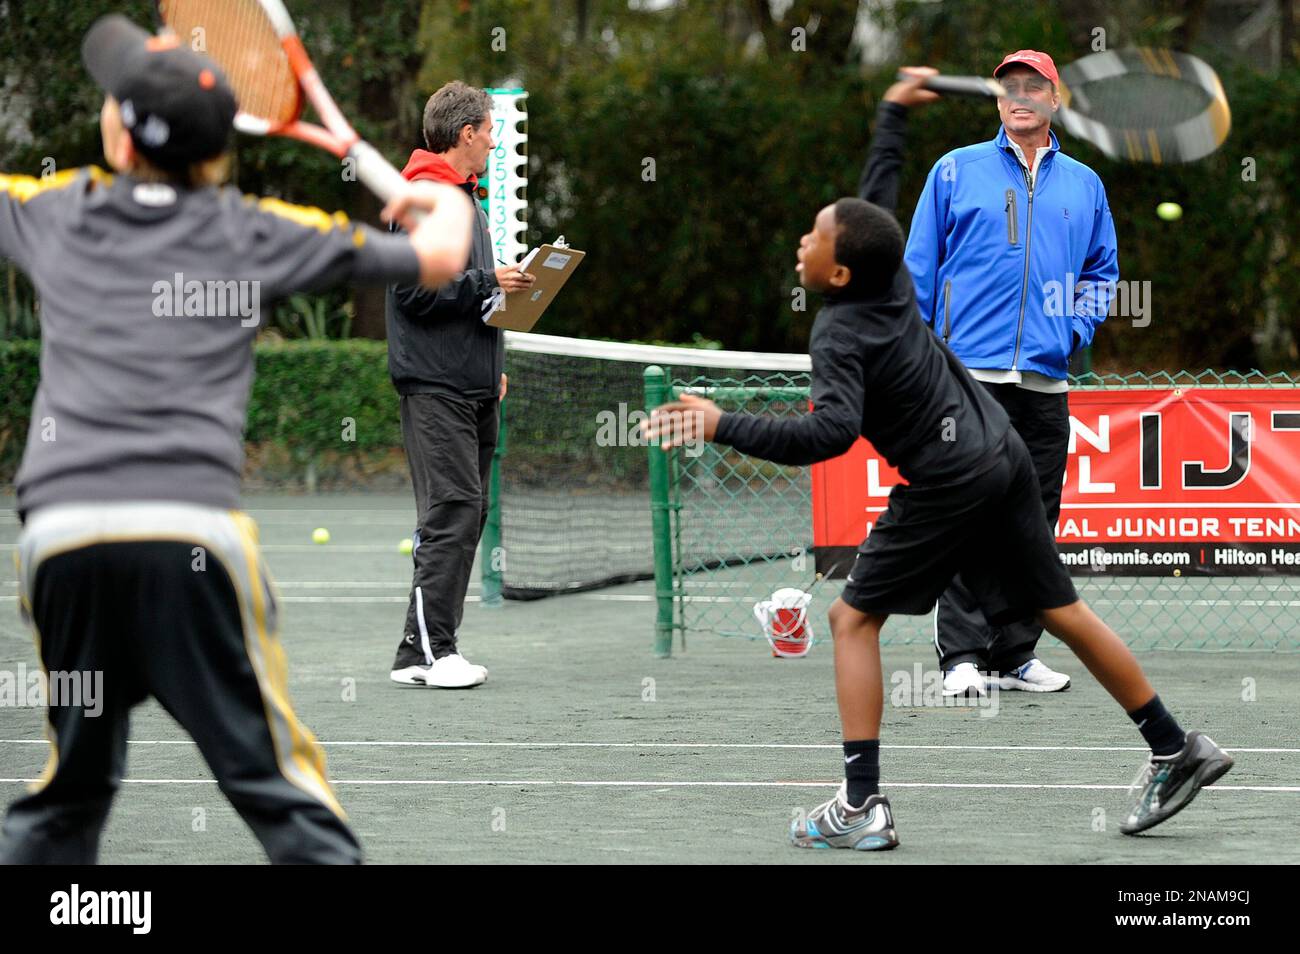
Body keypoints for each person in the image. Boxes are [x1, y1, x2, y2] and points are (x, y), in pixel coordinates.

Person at [644, 69, 1231, 852]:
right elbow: (870, 205)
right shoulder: (884, 278)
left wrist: (720, 423)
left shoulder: (840, 331)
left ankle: (861, 806)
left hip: (952, 476)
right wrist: (891, 114)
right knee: (1061, 609)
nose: (802, 241)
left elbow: (827, 435)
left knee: (852, 620)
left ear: (839, 271)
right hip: (1001, 450)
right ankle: (1175, 744)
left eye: (813, 238)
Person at [0, 15, 474, 864]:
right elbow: (444, 254)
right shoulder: (253, 228)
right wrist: (426, 197)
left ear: (117, 133)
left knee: (70, 794)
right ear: (220, 150)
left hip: (61, 541)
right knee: (276, 790)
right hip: (188, 542)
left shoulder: (54, 209)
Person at [903, 51, 1119, 698]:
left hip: (1046, 383)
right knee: (968, 514)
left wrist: (1073, 331)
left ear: (1056, 100)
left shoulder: (1084, 184)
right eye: (1008, 88)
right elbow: (918, 269)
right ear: (997, 102)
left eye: (1034, 87)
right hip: (968, 375)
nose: (1019, 97)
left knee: (1032, 522)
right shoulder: (953, 171)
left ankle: (1015, 653)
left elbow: (1101, 275)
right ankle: (962, 657)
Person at [387, 82, 535, 689]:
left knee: (465, 512)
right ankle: (429, 654)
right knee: (452, 509)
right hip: (434, 387)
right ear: (466, 132)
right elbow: (413, 291)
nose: (495, 141)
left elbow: (469, 295)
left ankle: (419, 650)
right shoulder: (423, 197)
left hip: (472, 385)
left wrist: (490, 364)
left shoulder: (466, 202)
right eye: (489, 130)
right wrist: (484, 281)